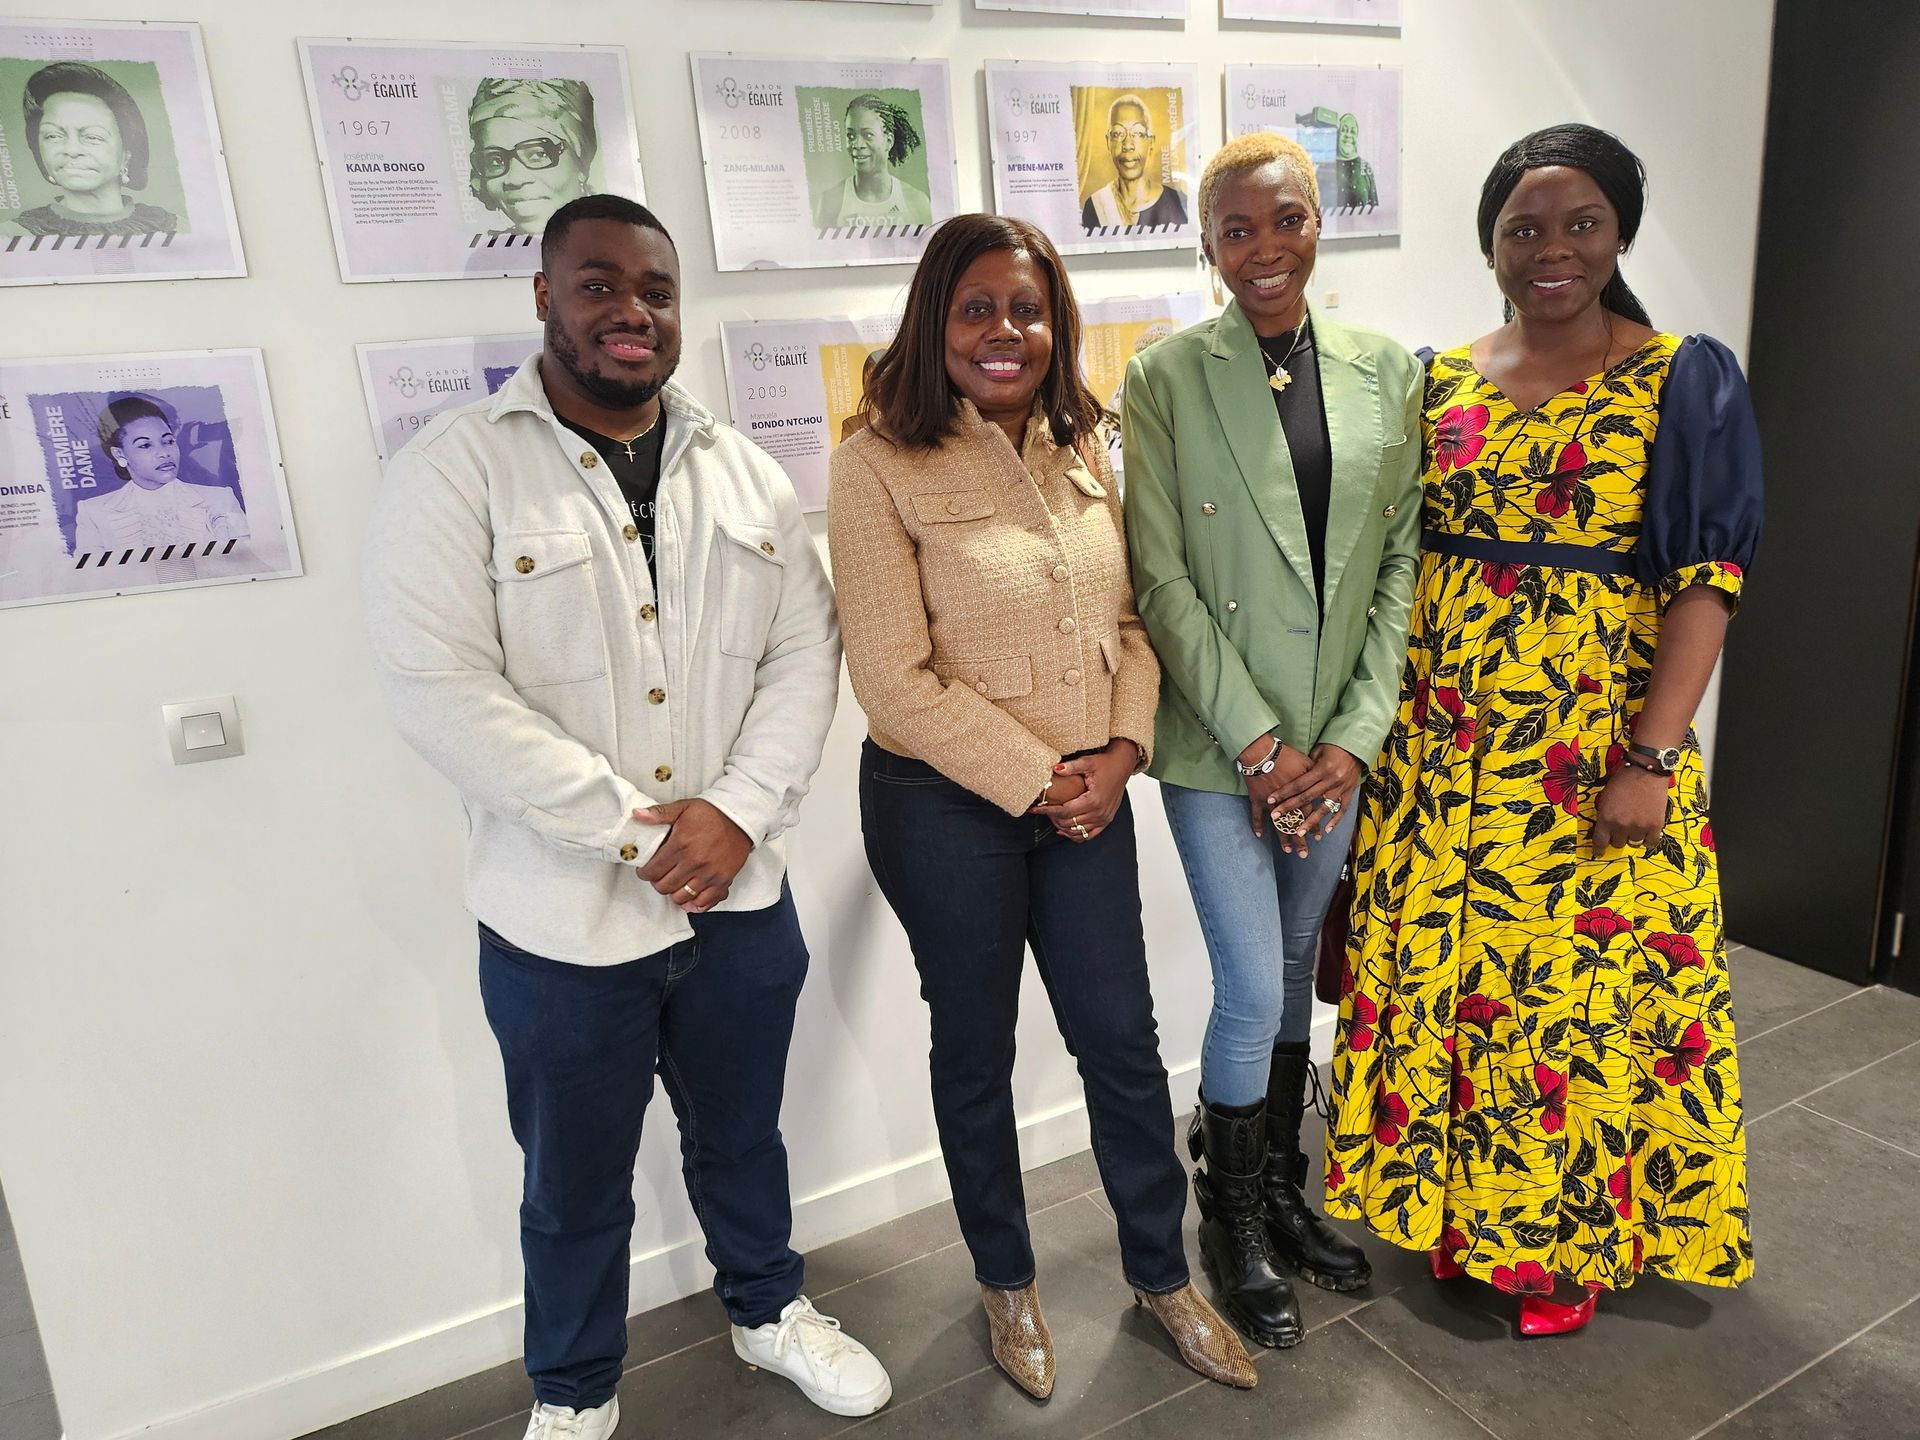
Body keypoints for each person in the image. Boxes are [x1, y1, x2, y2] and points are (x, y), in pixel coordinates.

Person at [363, 195, 891, 1440]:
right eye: (599, 284)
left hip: (740, 903)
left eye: (655, 289)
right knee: (574, 1184)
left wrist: (737, 814)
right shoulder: (458, 469)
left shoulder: (742, 470)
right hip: (559, 925)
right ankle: (574, 1391)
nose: (631, 311)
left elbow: (804, 656)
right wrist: (644, 832)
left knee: (744, 1138)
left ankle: (769, 1311)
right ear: (543, 296)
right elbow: (441, 691)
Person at [1324, 124, 1763, 1338]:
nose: (1551, 249)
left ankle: (1558, 1243)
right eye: (1524, 228)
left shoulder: (1681, 378)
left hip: (1586, 748)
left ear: (1620, 235)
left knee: (1570, 996)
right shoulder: (1437, 378)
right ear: (1492, 246)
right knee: (1452, 979)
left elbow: (1707, 581)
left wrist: (1652, 757)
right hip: (1439, 744)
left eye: (1581, 224)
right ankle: (1457, 1212)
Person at [829, 212, 1255, 1400]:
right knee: (975, 1047)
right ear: (936, 320)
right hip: (941, 806)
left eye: (1027, 308)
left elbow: (1131, 621)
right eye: (978, 308)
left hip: (1088, 796)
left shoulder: (1085, 444)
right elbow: (892, 679)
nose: (1004, 330)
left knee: (1120, 1038)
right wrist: (1042, 777)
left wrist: (1120, 752)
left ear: (1055, 323)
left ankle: (1162, 1275)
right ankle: (1006, 1282)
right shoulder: (874, 462)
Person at [1122, 131, 1421, 1348]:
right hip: (1218, 747)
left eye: (1285, 219)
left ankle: (1285, 1195)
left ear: (1317, 224)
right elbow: (1160, 578)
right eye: (1236, 229)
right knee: (1251, 985)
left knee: (1297, 967)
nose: (1263, 248)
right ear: (1207, 245)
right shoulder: (1163, 377)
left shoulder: (1385, 369)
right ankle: (1231, 1223)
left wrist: (1352, 739)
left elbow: (1399, 564)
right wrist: (1259, 745)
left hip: (1335, 747)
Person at [14, 61, 177, 238]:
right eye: (53, 136)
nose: (71, 150)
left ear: (126, 154)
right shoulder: (14, 234)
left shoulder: (171, 228)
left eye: (92, 137)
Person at [71, 394, 247, 555]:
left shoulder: (220, 497)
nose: (164, 452)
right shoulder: (93, 511)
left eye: (169, 440)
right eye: (145, 445)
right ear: (119, 454)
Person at [469, 78, 596, 237]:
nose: (515, 179)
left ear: (580, 164)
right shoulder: (489, 249)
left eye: (538, 154)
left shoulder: (614, 237)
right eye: (495, 160)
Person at [812, 94, 933, 230]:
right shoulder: (830, 202)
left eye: (868, 135)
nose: (857, 144)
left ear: (889, 141)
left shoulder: (916, 202)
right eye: (850, 135)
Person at [1080, 94, 1187, 231]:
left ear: (1151, 142)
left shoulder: (1178, 204)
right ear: (1108, 142)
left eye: (1137, 133)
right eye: (1118, 134)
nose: (1127, 145)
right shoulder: (1096, 206)